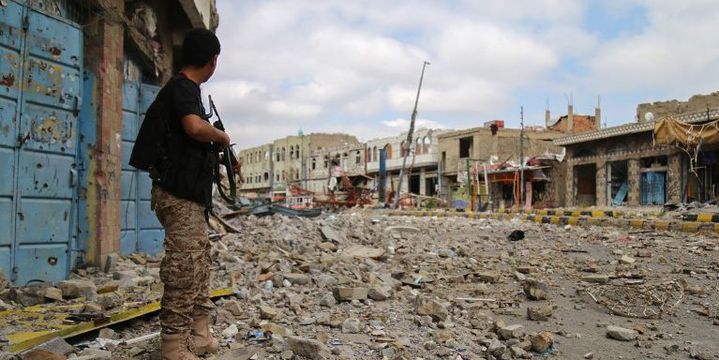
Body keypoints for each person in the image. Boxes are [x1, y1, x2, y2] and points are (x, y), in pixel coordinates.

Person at [130, 28, 228, 360]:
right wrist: (222, 137)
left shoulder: (187, 90)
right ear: (212, 60)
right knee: (184, 267)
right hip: (178, 196)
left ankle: (199, 335)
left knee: (199, 264)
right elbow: (194, 127)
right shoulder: (184, 88)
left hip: (190, 197)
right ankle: (173, 345)